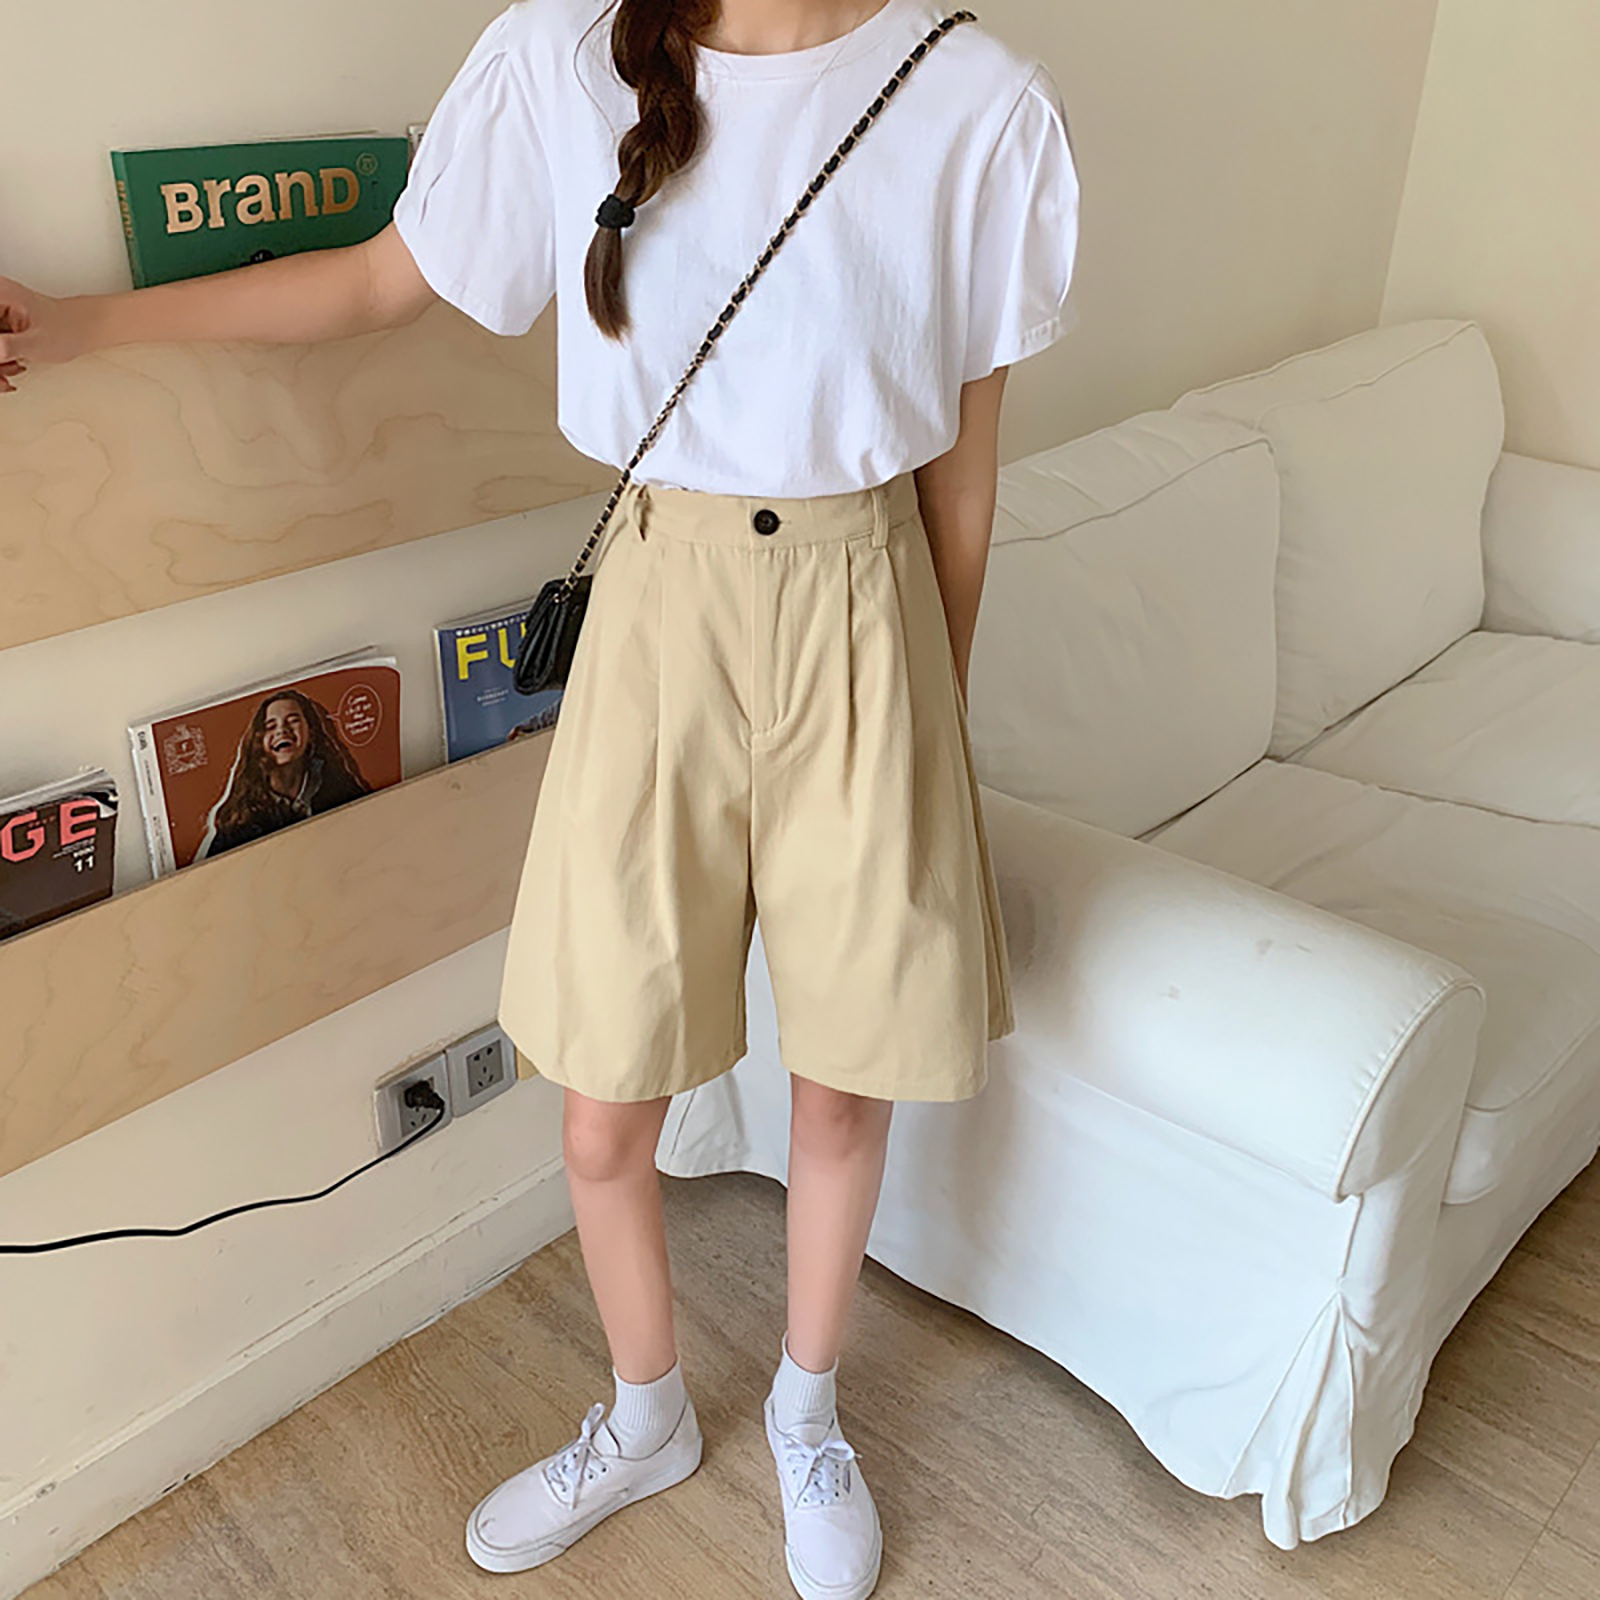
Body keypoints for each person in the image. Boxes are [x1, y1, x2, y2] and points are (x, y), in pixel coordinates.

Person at [0, 1, 1079, 1594]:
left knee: (847, 1083)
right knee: (597, 1099)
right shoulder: (564, 56)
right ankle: (647, 1416)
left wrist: (938, 718)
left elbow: (963, 477)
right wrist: (80, 326)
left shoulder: (977, 100)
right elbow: (377, 281)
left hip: (872, 609)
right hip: (657, 602)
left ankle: (808, 1413)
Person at [197, 690, 374, 859]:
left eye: (293, 720)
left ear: (311, 732)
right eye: (270, 726)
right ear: (259, 741)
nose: (282, 730)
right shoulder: (241, 819)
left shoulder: (340, 789)